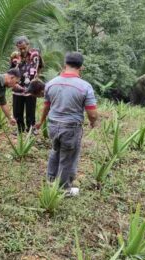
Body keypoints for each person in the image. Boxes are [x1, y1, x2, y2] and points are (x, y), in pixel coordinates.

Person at [35, 52, 98, 197]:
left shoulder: (51, 83)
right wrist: (94, 123)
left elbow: (46, 107)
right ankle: (63, 189)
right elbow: (92, 113)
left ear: (65, 65)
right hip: (71, 127)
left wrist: (41, 122)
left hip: (53, 125)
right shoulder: (85, 86)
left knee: (55, 150)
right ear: (81, 67)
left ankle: (51, 180)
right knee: (68, 157)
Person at [10, 36, 43, 134]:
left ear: (28, 45)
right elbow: (11, 71)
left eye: (24, 47)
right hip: (17, 88)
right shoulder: (14, 57)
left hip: (31, 88)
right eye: (20, 48)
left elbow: (40, 66)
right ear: (17, 47)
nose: (23, 50)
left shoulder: (35, 55)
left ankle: (31, 128)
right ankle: (19, 129)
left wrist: (37, 76)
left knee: (30, 109)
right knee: (17, 110)